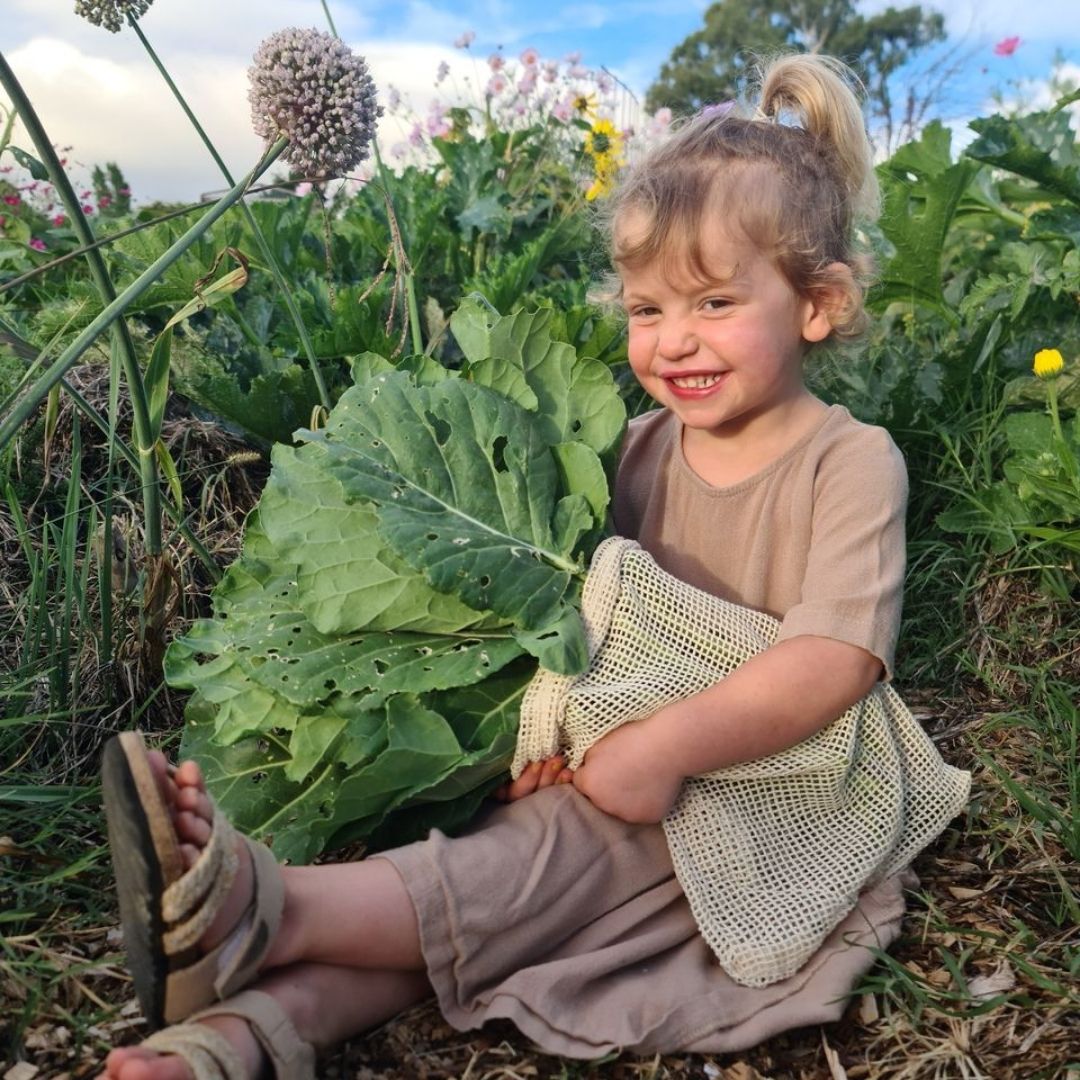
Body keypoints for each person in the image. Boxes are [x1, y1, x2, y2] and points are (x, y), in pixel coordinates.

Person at [97, 53, 965, 1080]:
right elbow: (583, 626)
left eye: (716, 303)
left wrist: (666, 744)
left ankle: (259, 903)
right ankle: (237, 1039)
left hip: (760, 784)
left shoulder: (849, 459)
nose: (675, 340)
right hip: (630, 776)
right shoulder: (632, 449)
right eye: (648, 311)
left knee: (515, 873)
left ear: (817, 305)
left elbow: (833, 661)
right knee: (492, 910)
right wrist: (559, 726)